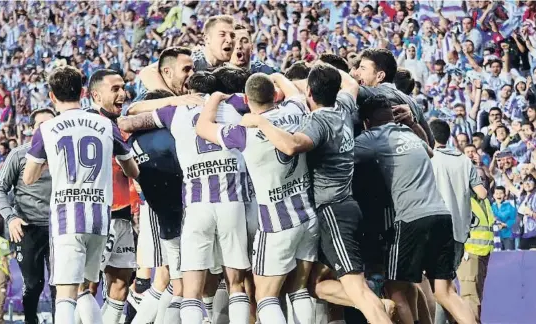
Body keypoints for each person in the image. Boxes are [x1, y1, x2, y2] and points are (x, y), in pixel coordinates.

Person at [238, 64, 392, 324]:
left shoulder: (318, 123)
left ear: (309, 91)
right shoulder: (343, 106)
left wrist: (261, 121)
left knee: (358, 290)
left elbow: (290, 145)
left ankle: (378, 310)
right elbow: (352, 85)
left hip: (333, 211)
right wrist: (326, 67)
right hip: (344, 207)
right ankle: (381, 306)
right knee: (315, 286)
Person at [118, 66, 252, 324]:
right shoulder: (233, 103)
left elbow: (127, 119)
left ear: (189, 90)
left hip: (196, 206)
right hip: (232, 202)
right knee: (236, 284)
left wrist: (173, 100)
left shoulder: (174, 112)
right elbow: (271, 96)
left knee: (189, 289)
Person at [196, 73, 318, 324]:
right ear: (274, 95)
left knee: (266, 298)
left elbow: (202, 128)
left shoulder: (243, 132)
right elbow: (294, 92)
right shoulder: (296, 110)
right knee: (300, 289)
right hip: (308, 214)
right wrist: (276, 76)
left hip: (276, 223)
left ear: (246, 99)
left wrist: (216, 97)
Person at [22, 65, 139, 324]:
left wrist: (51, 161)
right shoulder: (106, 125)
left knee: (67, 294)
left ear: (52, 96)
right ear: (84, 92)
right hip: (99, 218)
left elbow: (28, 178)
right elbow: (133, 170)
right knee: (86, 289)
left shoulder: (48, 128)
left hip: (67, 218)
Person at [354, 95, 476, 324]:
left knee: (395, 287)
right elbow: (430, 152)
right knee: (445, 292)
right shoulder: (409, 134)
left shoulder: (371, 138)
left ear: (367, 122)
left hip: (410, 219)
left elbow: (344, 156)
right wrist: (413, 123)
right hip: (441, 215)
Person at [0, 108, 57, 324]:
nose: (47, 128)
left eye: (51, 123)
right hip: (26, 229)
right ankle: (30, 321)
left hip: (60, 228)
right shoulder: (19, 154)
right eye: (41, 124)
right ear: (32, 129)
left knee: (61, 285)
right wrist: (10, 218)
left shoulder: (66, 155)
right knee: (34, 284)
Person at [127, 88, 186, 324]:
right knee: (168, 279)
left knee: (165, 279)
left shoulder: (132, 140)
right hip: (165, 211)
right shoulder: (167, 137)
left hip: (152, 209)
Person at [87, 68, 140, 324]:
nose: (123, 94)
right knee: (88, 286)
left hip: (123, 214)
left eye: (123, 88)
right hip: (97, 215)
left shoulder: (120, 124)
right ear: (96, 95)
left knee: (121, 280)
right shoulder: (89, 123)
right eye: (115, 89)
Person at [429, 118, 489, 324]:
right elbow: (481, 192)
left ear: (430, 136)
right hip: (459, 235)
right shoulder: (464, 161)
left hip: (435, 230)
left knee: (438, 290)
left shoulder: (430, 158)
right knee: (445, 288)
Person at [491, 186, 517, 250]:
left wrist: (505, 225)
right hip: (495, 236)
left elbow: (515, 219)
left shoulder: (509, 206)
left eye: (501, 193)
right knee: (497, 256)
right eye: (496, 193)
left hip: (507, 235)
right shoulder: (491, 207)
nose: (498, 195)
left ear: (505, 195)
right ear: (494, 195)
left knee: (509, 256)